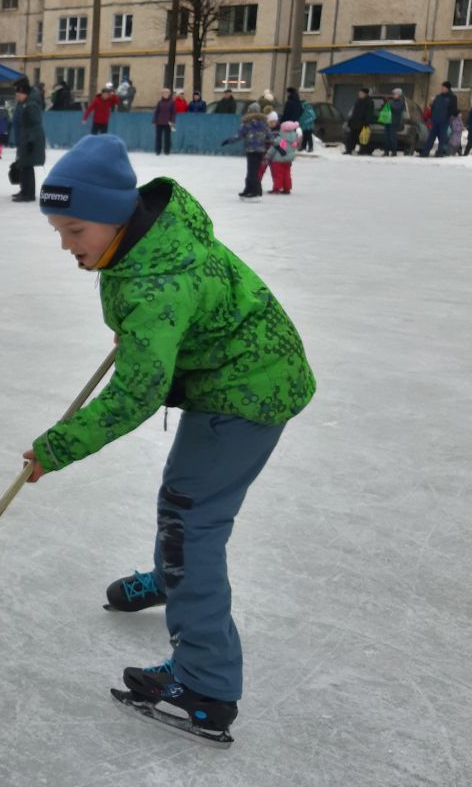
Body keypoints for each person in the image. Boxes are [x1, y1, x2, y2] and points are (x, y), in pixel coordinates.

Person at [30, 134, 315, 745]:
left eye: (74, 230)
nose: (65, 245)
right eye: (58, 230)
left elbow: (136, 395)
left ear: (113, 216)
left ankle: (207, 684)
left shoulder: (158, 286)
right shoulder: (140, 244)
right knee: (182, 500)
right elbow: (162, 324)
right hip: (234, 373)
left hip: (248, 391)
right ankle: (171, 576)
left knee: (191, 523)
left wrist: (57, 448)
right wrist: (145, 338)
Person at [221, 108, 273, 199]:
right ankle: (250, 189)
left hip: (251, 150)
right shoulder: (264, 124)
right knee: (254, 171)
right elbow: (271, 137)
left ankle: (254, 191)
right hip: (260, 151)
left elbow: (238, 136)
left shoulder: (247, 125)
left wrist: (228, 141)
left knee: (252, 172)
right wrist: (281, 148)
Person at [422, 82, 459, 158]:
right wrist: (432, 116)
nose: (441, 89)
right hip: (435, 120)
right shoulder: (438, 97)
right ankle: (425, 152)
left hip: (444, 121)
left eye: (443, 87)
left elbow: (453, 109)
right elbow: (433, 107)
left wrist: (447, 116)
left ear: (447, 88)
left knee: (442, 138)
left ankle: (439, 153)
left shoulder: (452, 97)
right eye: (441, 87)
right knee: (431, 137)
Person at [265, 121, 299, 194]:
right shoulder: (294, 139)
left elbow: (273, 148)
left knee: (278, 175)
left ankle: (276, 188)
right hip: (288, 160)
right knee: (287, 174)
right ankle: (287, 188)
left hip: (278, 160)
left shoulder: (279, 139)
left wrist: (267, 155)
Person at [344, 87, 372, 156]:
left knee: (363, 138)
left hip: (362, 123)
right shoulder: (358, 101)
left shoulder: (369, 102)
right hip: (354, 123)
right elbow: (354, 112)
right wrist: (350, 121)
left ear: (365, 94)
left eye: (361, 93)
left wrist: (366, 122)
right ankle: (349, 150)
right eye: (359, 93)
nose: (359, 94)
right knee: (350, 138)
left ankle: (362, 151)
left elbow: (369, 113)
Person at [151, 88, 175, 156]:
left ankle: (167, 151)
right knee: (158, 137)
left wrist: (172, 121)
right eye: (164, 93)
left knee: (167, 137)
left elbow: (173, 113)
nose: (165, 94)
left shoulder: (172, 102)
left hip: (168, 123)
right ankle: (158, 150)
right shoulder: (159, 102)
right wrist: (154, 121)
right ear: (162, 94)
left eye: (167, 93)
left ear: (169, 94)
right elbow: (156, 112)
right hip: (159, 122)